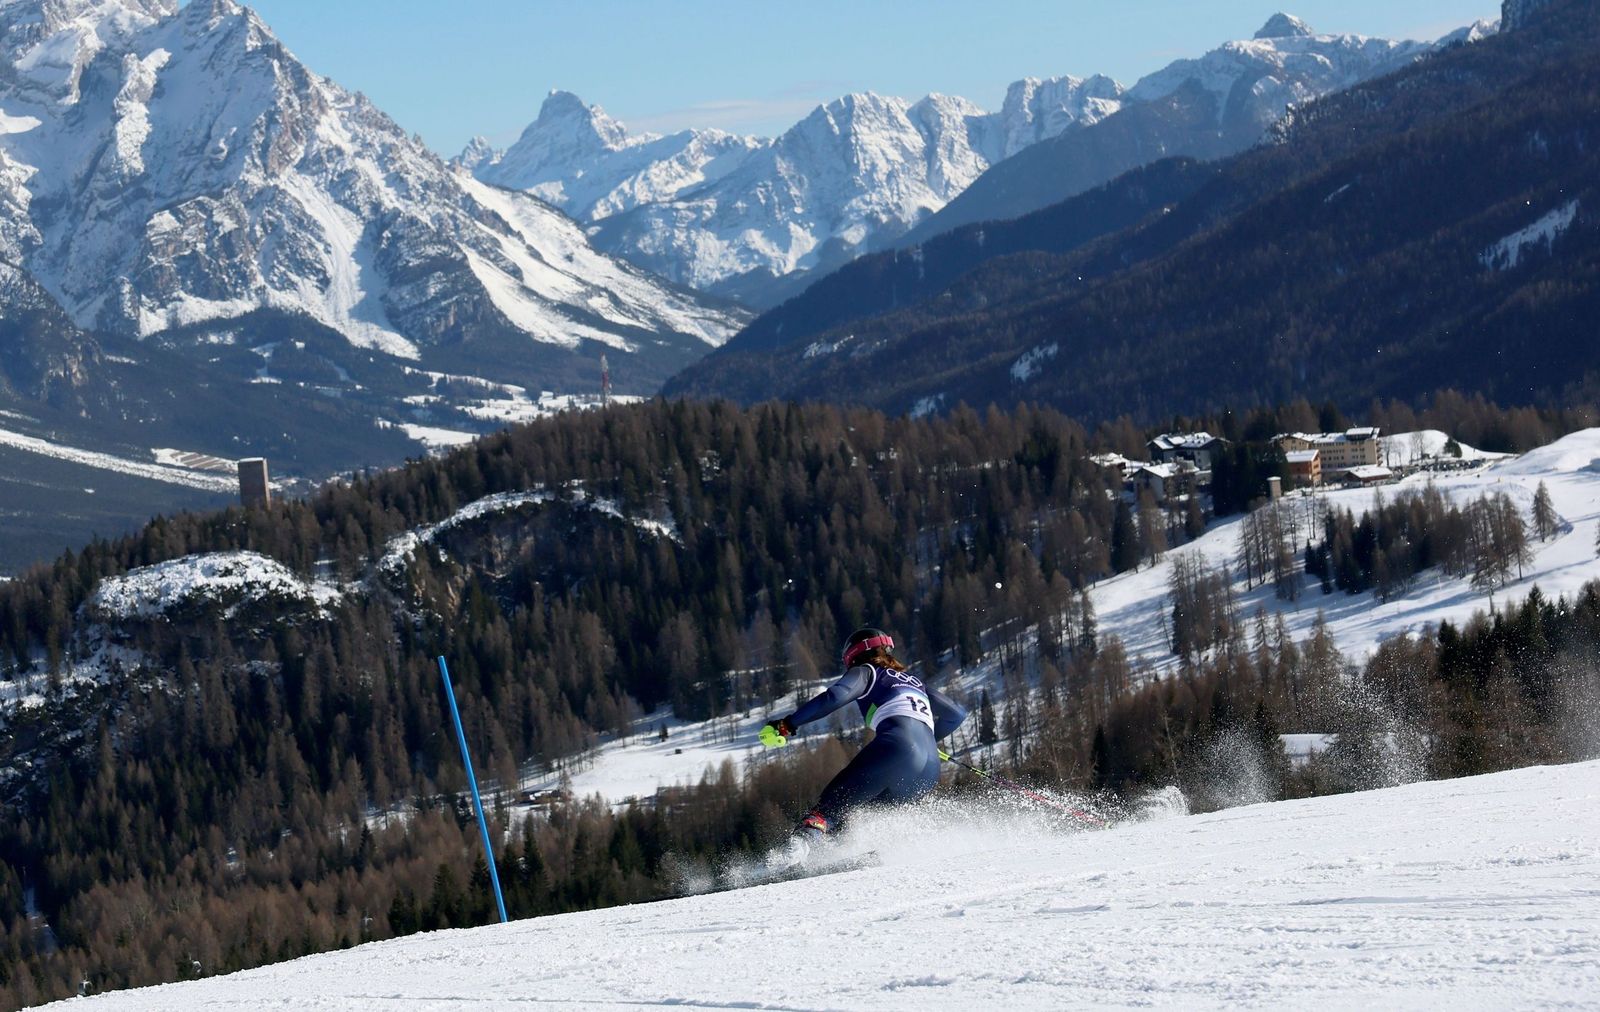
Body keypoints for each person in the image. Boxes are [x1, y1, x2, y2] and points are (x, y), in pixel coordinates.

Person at [759, 627, 968, 865]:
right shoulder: (916, 683)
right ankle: (842, 854)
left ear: (853, 655)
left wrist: (787, 724)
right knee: (857, 813)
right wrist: (928, 740)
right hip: (929, 770)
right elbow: (956, 715)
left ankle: (795, 852)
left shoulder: (867, 671)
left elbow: (834, 696)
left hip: (896, 750)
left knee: (831, 805)